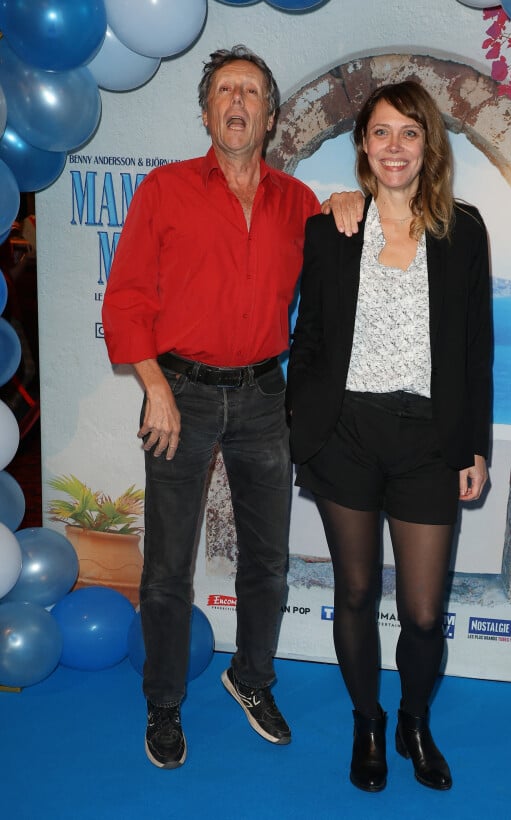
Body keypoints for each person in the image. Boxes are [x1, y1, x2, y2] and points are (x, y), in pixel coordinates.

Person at [102, 44, 360, 770]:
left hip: (262, 397)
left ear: (270, 116)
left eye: (250, 91)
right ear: (208, 111)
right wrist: (154, 387)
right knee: (166, 568)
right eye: (224, 91)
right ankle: (163, 702)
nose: (237, 102)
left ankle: (251, 679)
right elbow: (124, 301)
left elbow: (347, 283)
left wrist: (348, 203)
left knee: (268, 562)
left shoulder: (297, 203)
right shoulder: (165, 189)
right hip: (177, 394)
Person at [286, 80, 491, 794]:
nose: (395, 146)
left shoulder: (463, 230)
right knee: (355, 589)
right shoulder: (332, 229)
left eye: (409, 132)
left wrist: (475, 449)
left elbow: (475, 347)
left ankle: (413, 719)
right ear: (363, 145)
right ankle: (368, 721)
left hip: (427, 441)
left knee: (425, 612)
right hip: (343, 434)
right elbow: (307, 338)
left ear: (428, 144)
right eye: (380, 132)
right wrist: (301, 428)